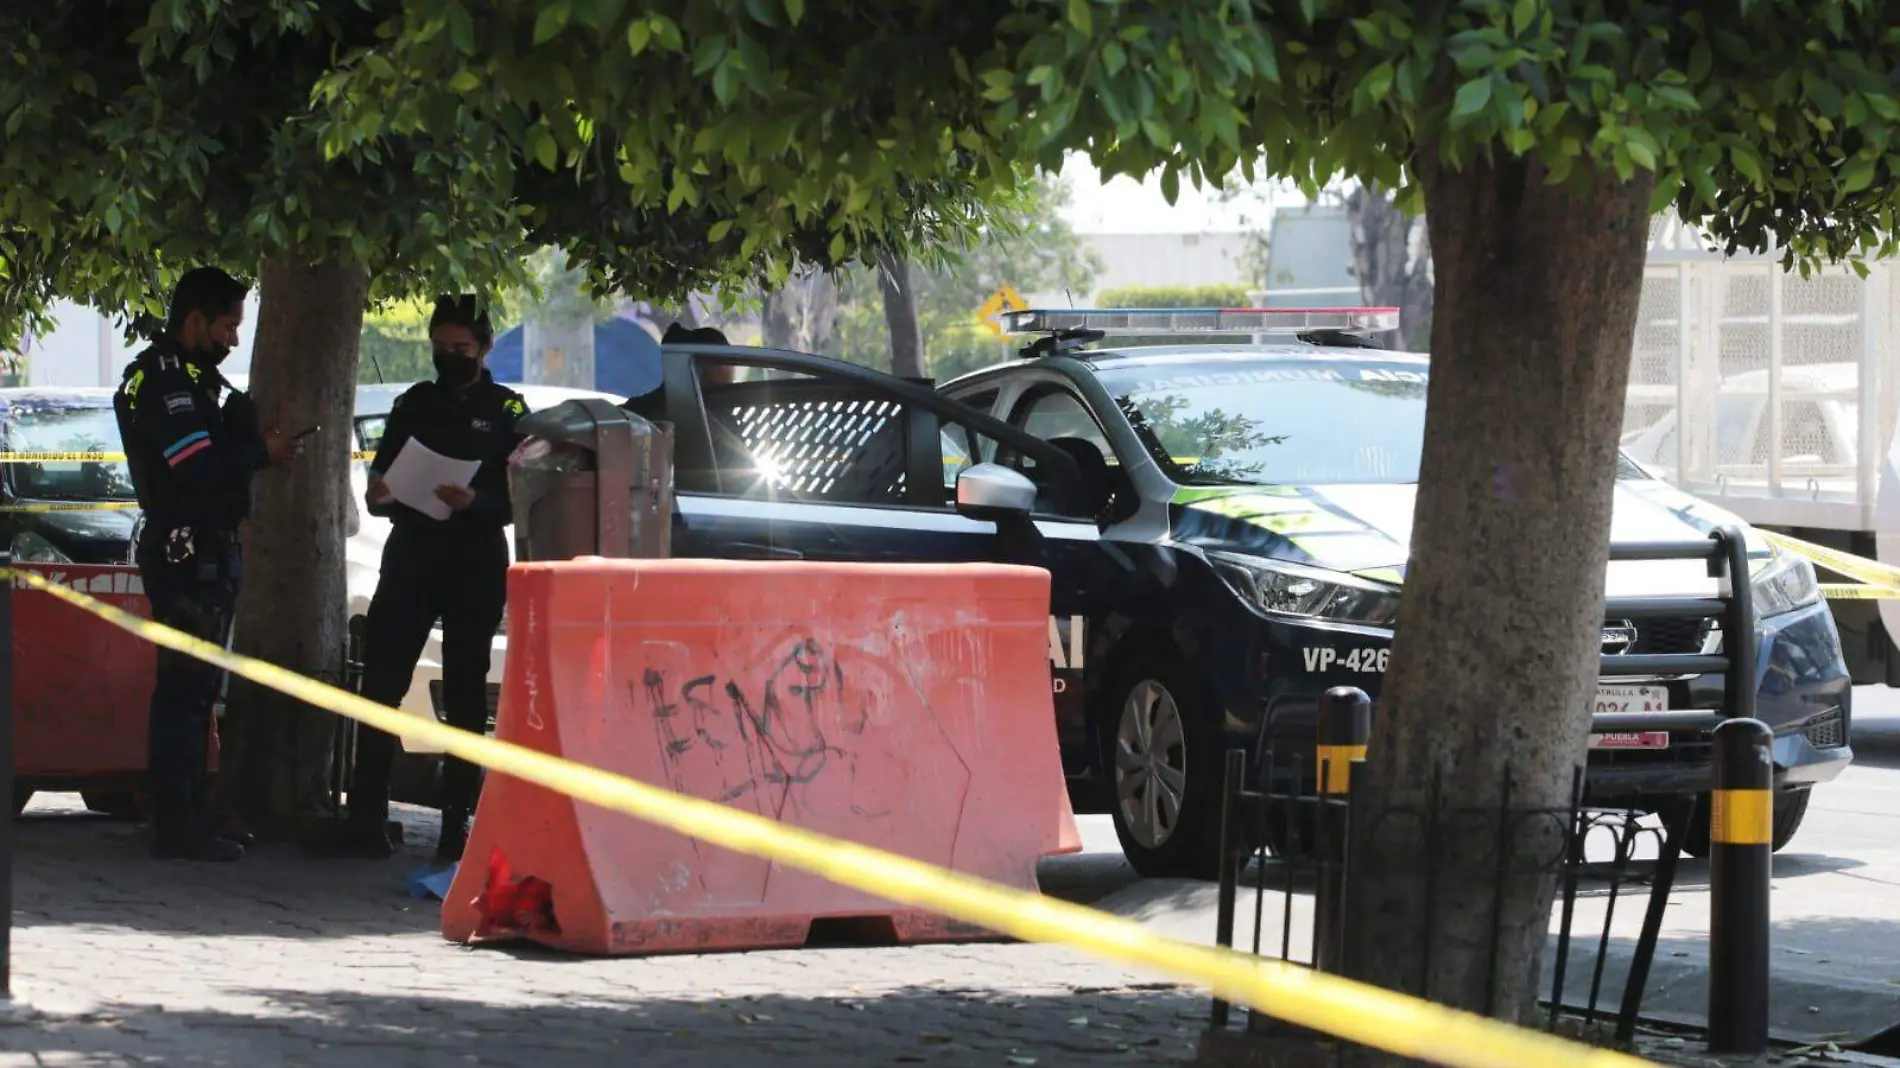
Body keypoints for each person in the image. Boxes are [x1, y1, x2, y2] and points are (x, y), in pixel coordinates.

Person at [114, 266, 302, 861]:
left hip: (210, 548)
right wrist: (257, 451)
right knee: (183, 691)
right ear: (196, 321)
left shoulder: (199, 381)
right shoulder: (165, 380)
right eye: (227, 325)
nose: (233, 339)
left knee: (200, 692)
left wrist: (248, 440)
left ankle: (194, 809)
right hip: (184, 548)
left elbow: (218, 452)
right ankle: (175, 823)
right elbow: (195, 464)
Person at [337, 296, 528, 861]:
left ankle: (457, 825)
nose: (449, 358)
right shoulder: (415, 402)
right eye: (440, 349)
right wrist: (380, 492)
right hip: (412, 555)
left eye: (461, 349)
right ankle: (365, 817)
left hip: (473, 560)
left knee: (466, 697)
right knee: (381, 685)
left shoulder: (508, 409)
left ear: (485, 349)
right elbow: (382, 476)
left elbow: (516, 498)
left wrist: (476, 500)